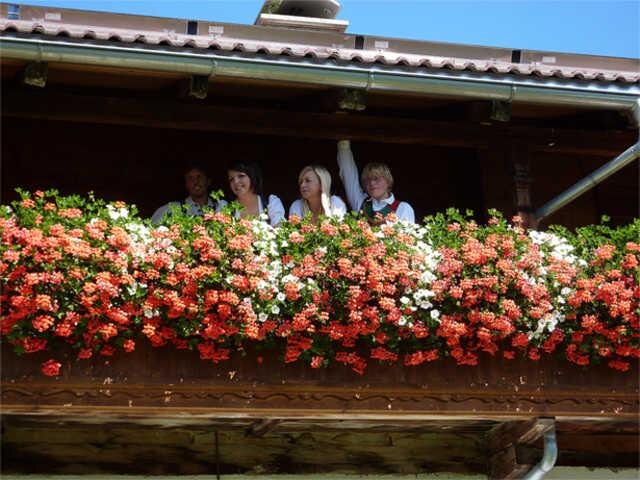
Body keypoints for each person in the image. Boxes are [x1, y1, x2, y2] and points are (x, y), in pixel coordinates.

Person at [336, 140, 415, 224]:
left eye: (376, 178)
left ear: (388, 181)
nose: (371, 183)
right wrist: (343, 144)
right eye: (367, 180)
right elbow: (348, 174)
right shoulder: (361, 202)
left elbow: (407, 232)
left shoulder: (403, 208)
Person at [151, 164, 226, 224]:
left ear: (208, 181)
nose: (195, 182)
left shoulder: (221, 208)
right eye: (190, 178)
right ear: (186, 184)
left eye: (199, 177)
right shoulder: (171, 209)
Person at [227, 161, 285, 226]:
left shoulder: (271, 202)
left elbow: (280, 228)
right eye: (231, 179)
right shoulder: (225, 206)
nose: (236, 182)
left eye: (241, 176)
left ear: (252, 176)